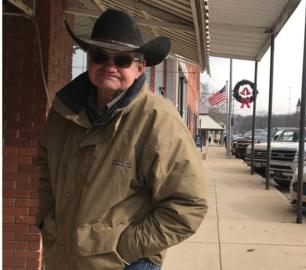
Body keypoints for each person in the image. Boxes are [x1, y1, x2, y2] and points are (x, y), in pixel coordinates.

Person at [36, 9, 208, 270]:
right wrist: (48, 221)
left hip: (123, 264)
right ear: (90, 59)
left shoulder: (158, 120)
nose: (110, 66)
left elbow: (189, 204)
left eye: (123, 61)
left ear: (140, 68)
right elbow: (44, 168)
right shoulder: (63, 110)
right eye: (100, 56)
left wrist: (125, 248)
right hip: (62, 260)